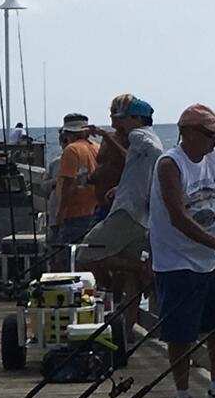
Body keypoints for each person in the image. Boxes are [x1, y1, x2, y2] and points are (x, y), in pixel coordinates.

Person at [150, 103, 215, 398]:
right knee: (181, 333)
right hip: (176, 260)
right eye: (208, 135)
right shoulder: (169, 164)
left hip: (211, 260)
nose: (214, 142)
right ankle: (182, 395)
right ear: (187, 133)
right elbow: (177, 217)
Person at [81, 97, 165, 341]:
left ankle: (143, 268)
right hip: (140, 215)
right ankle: (126, 333)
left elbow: (156, 154)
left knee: (85, 252)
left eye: (125, 117)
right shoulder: (149, 136)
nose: (121, 122)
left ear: (136, 119)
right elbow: (142, 168)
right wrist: (122, 187)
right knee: (129, 276)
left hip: (126, 213)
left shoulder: (139, 135)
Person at [49, 113, 102, 267]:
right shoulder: (96, 148)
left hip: (74, 214)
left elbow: (68, 183)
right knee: (88, 257)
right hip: (93, 210)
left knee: (66, 260)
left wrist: (60, 213)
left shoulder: (72, 150)